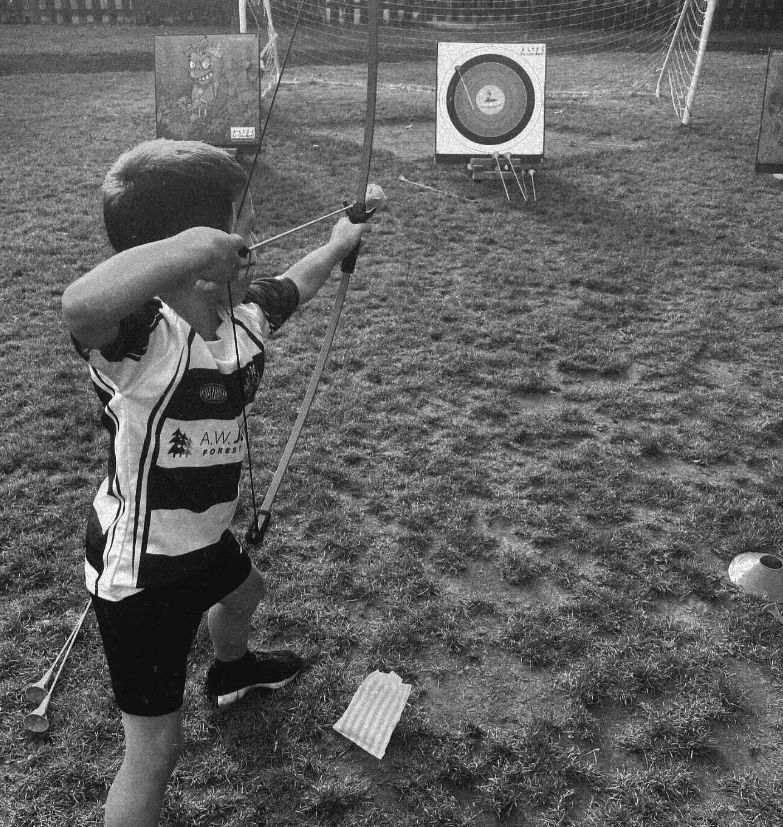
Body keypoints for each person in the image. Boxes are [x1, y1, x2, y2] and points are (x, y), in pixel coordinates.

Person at [61, 138, 376, 827]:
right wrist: (193, 250)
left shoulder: (246, 316)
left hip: (201, 541)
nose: (250, 250)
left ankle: (231, 668)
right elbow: (80, 305)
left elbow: (299, 279)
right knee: (155, 750)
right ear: (192, 255)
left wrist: (339, 238)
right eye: (239, 238)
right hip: (141, 573)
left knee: (245, 592)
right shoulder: (140, 342)